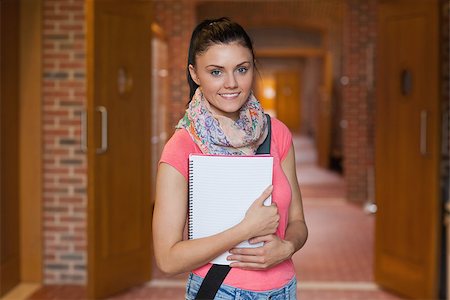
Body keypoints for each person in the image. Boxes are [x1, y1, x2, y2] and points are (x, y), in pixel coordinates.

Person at [152, 17, 308, 299]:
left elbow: (297, 221)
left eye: (242, 69)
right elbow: (167, 259)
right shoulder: (183, 146)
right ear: (195, 74)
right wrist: (245, 230)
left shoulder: (277, 134)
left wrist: (287, 247)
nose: (231, 83)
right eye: (216, 72)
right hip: (222, 291)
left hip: (284, 289)